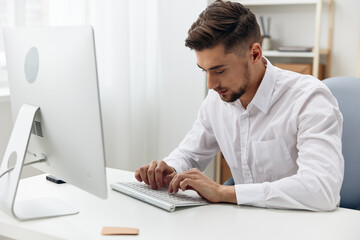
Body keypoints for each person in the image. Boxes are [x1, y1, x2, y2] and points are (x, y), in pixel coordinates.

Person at [135, 0, 344, 211]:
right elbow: (190, 154)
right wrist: (169, 168)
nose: (211, 85)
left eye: (219, 71)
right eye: (204, 70)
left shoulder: (308, 98)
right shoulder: (217, 99)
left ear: (254, 54)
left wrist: (224, 192)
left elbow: (321, 189)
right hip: (243, 221)